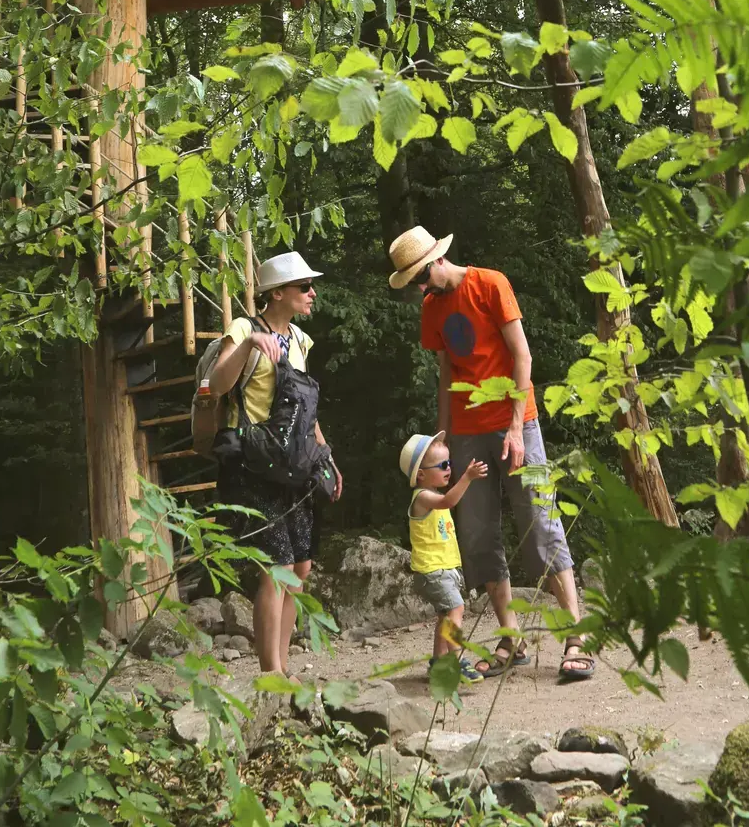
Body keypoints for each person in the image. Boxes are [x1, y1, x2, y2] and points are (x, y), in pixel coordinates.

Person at [389, 225, 594, 682]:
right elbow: (446, 371)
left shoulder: (490, 284)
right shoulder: (431, 307)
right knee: (479, 537)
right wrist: (443, 435)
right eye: (413, 281)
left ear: (438, 260)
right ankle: (511, 638)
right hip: (465, 432)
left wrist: (516, 427)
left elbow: (522, 356)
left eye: (422, 276)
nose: (420, 287)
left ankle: (576, 638)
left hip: (518, 423)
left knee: (541, 524)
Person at [209, 251, 341, 673]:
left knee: (300, 567)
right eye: (305, 286)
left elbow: (306, 411)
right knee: (277, 566)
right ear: (278, 293)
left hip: (294, 467)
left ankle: (282, 666)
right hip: (251, 464)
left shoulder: (300, 340)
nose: (312, 293)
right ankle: (272, 675)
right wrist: (249, 344)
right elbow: (216, 386)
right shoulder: (244, 329)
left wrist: (327, 458)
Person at [400, 429, 490, 689]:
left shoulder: (433, 495)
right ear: (421, 475)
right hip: (432, 571)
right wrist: (467, 477)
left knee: (445, 616)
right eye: (442, 465)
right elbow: (450, 501)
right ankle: (458, 661)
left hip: (444, 570)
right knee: (456, 609)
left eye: (449, 463)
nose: (448, 469)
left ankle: (439, 663)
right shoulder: (423, 497)